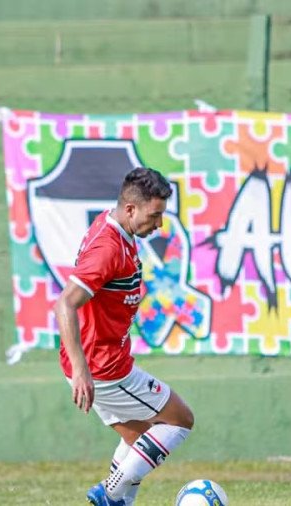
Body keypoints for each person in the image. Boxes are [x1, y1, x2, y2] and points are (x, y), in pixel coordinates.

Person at [53, 167, 195, 506]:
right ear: (131, 209)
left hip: (103, 361)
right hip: (103, 366)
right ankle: (110, 491)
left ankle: (117, 500)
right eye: (155, 215)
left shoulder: (115, 227)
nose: (159, 224)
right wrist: (81, 370)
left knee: (140, 444)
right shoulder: (108, 248)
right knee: (179, 420)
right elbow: (65, 304)